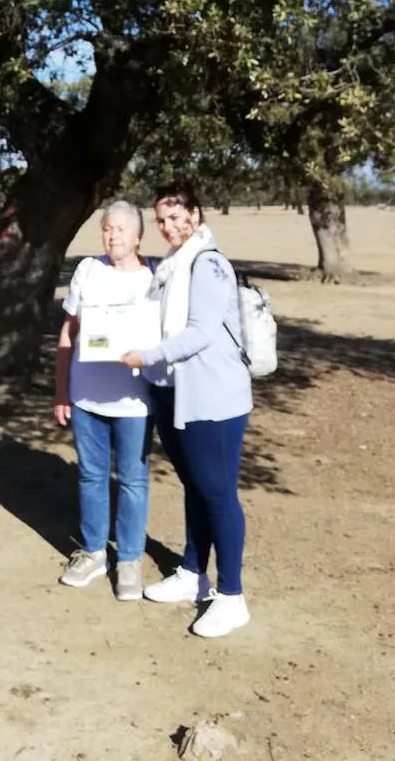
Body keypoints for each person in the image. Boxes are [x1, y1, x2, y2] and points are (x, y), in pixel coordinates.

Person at [121, 179, 253, 638]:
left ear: (195, 215)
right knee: (195, 487)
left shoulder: (208, 263)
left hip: (213, 398)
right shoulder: (171, 267)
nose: (168, 226)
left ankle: (231, 596)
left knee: (216, 492)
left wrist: (146, 357)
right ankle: (193, 573)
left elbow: (200, 332)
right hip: (174, 393)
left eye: (176, 217)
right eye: (160, 220)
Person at [54, 200, 159, 601]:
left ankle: (129, 560)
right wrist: (62, 390)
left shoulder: (154, 278)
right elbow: (69, 332)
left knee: (133, 480)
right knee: (90, 476)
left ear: (138, 236)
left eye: (120, 229)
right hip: (85, 397)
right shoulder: (88, 270)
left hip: (135, 403)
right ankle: (94, 552)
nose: (112, 236)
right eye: (106, 229)